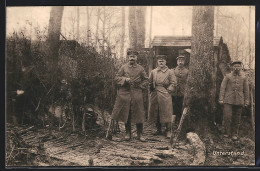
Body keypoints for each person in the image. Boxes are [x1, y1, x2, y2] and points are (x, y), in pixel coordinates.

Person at [111, 49, 148, 141]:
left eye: (134, 57)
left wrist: (140, 86)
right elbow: (116, 78)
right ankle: (128, 133)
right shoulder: (123, 67)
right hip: (125, 92)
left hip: (136, 91)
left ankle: (140, 134)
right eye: (130, 57)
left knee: (139, 112)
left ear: (136, 58)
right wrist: (124, 79)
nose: (132, 58)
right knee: (126, 112)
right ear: (128, 58)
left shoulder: (140, 68)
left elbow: (146, 80)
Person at [219, 60, 249, 141]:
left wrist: (246, 101)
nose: (237, 68)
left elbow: (246, 91)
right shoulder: (227, 76)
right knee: (227, 117)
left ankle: (235, 134)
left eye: (238, 66)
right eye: (235, 66)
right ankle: (226, 133)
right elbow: (222, 88)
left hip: (239, 100)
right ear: (232, 67)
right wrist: (221, 99)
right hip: (228, 100)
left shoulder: (244, 77)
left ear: (241, 67)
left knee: (237, 118)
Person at [148, 55, 176, 138]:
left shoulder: (170, 72)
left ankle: (168, 130)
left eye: (163, 61)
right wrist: (150, 88)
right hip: (155, 93)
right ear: (157, 62)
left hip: (165, 92)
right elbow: (149, 82)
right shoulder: (153, 71)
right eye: (159, 61)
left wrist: (169, 90)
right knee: (156, 110)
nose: (161, 62)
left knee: (167, 111)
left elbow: (174, 82)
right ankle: (158, 129)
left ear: (165, 62)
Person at [171, 55, 189, 124]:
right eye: (179, 61)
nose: (180, 62)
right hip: (174, 92)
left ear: (184, 62)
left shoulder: (187, 71)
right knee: (173, 106)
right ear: (177, 62)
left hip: (183, 92)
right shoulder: (173, 70)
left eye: (182, 61)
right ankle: (173, 122)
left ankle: (180, 121)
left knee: (182, 106)